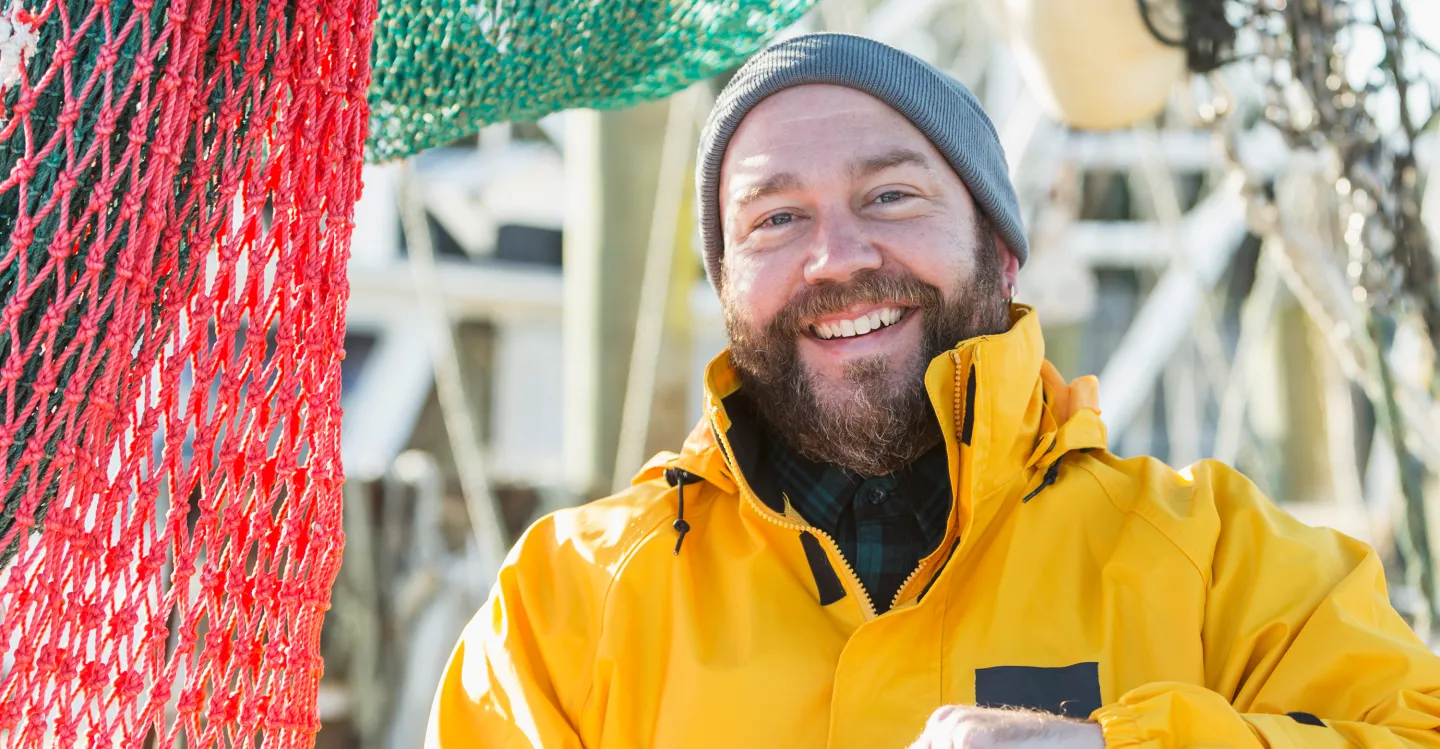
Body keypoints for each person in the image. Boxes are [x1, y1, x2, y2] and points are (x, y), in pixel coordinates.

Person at [425, 33, 1440, 749]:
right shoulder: (568, 602)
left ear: (1002, 251)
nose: (837, 255)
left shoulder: (1217, 561)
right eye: (775, 219)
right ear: (728, 287)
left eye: (891, 195)